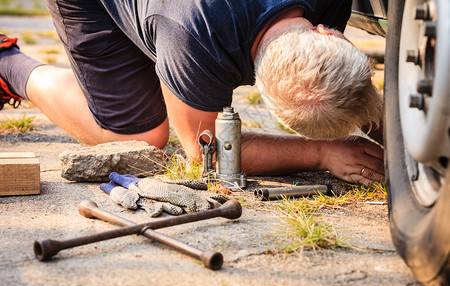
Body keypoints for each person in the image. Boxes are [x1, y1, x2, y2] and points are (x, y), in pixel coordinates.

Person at [0, 0, 384, 185]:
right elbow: (207, 153)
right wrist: (320, 152)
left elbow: (341, 87)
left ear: (326, 33)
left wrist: (403, 139)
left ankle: (162, 66)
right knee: (142, 139)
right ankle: (8, 65)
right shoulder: (196, 36)